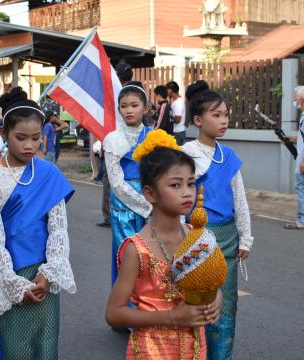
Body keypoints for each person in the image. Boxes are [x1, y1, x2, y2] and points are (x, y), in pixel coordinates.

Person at [0, 87, 76, 359]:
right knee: (13, 347)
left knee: (45, 346)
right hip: (8, 274)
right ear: (4, 135)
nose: (29, 146)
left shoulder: (49, 173)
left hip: (43, 273)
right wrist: (14, 284)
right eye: (21, 138)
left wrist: (49, 274)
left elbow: (58, 229)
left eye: (36, 138)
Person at [105, 130, 223, 359]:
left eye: (190, 183)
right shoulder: (136, 249)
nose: (187, 193)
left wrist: (215, 300)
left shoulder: (197, 237)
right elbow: (114, 313)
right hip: (151, 350)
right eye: (175, 185)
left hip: (195, 347)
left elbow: (212, 283)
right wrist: (171, 318)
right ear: (150, 193)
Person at [183, 80, 253, 360]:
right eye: (216, 115)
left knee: (226, 309)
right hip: (195, 239)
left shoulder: (230, 156)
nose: (224, 120)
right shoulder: (186, 153)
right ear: (198, 120)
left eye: (225, 114)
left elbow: (240, 200)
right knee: (195, 307)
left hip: (227, 240)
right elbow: (177, 197)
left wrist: (246, 237)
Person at [103, 81, 152, 285]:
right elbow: (116, 183)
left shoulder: (154, 136)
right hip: (123, 209)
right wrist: (148, 207)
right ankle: (126, 311)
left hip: (151, 201)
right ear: (118, 109)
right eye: (124, 106)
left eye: (134, 105)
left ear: (145, 108)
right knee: (128, 261)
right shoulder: (113, 139)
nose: (129, 110)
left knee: (153, 261)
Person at [285, 86, 304, 229]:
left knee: (303, 188)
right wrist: (292, 138)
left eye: (295, 97)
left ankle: (303, 221)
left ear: (301, 99)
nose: (294, 99)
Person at [166, 81, 187, 145]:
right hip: (177, 132)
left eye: (167, 90)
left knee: (175, 153)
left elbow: (177, 119)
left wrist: (167, 117)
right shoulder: (175, 101)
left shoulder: (178, 103)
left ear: (170, 90)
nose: (166, 92)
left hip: (177, 133)